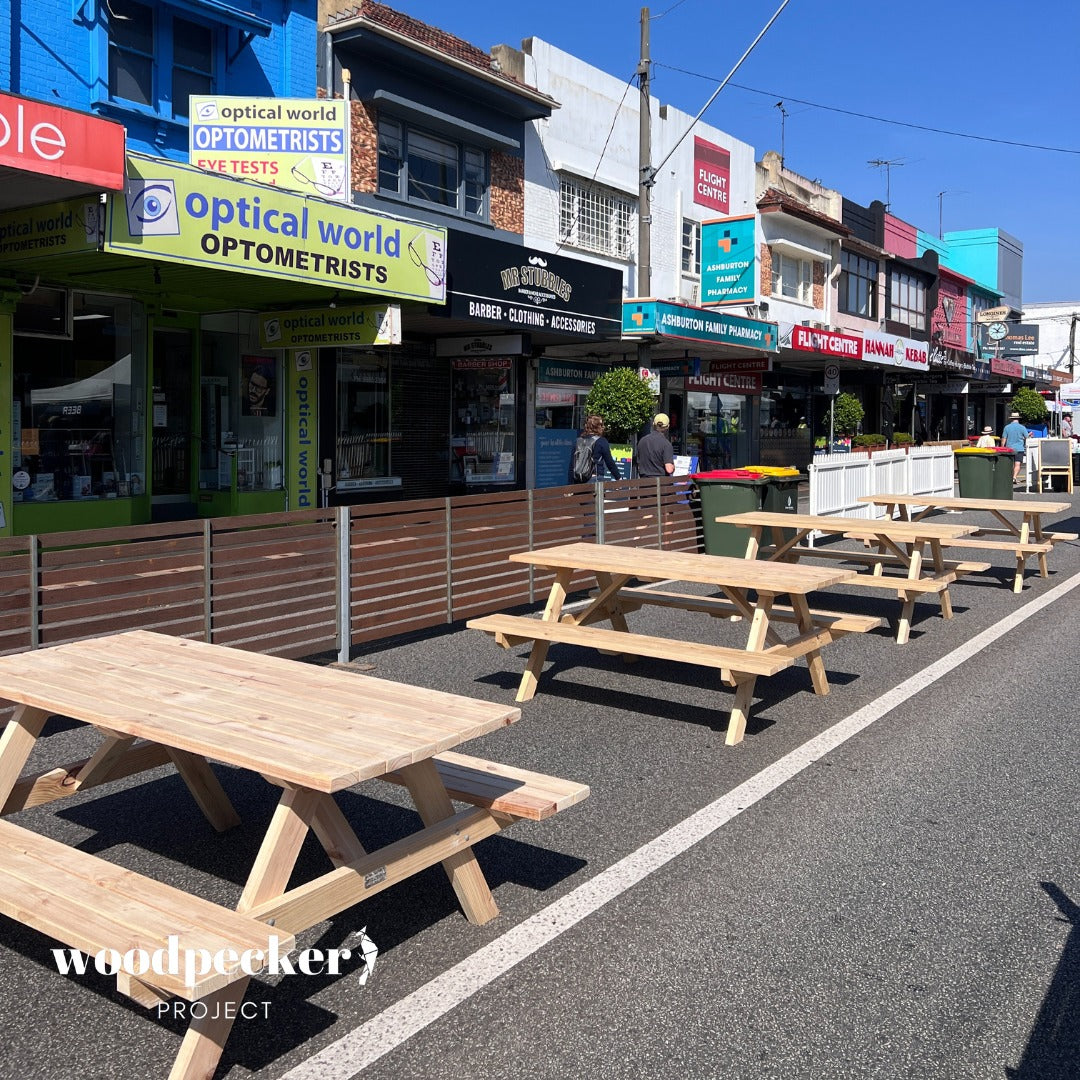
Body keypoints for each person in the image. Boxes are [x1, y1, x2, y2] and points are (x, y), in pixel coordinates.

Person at [568, 413, 621, 483]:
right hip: (595, 479)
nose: (603, 427)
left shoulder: (577, 441)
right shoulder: (601, 441)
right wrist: (618, 478)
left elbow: (572, 466)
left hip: (578, 480)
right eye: (601, 425)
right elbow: (610, 463)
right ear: (598, 427)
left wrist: (570, 485)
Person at [634, 412, 675, 478]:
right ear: (667, 426)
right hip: (660, 484)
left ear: (653, 425)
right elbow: (669, 469)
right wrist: (673, 466)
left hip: (643, 483)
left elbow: (639, 466)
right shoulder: (666, 444)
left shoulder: (642, 441)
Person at [1001, 410, 1028, 484]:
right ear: (1018, 419)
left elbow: (1004, 438)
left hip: (1009, 449)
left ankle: (1009, 477)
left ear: (1011, 419)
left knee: (1009, 464)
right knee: (1017, 464)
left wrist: (1002, 447)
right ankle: (1014, 477)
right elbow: (1027, 437)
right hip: (1019, 448)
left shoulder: (1007, 427)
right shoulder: (1022, 427)